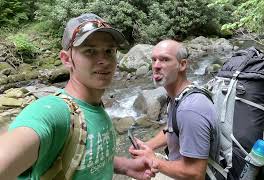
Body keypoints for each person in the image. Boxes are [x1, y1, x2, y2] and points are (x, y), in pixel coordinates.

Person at [0, 13, 158, 180]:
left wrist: (126, 167)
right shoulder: (54, 112)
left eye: (109, 50)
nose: (103, 60)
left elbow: (88, 159)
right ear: (66, 59)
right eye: (90, 51)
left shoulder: (94, 106)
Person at [129, 40, 219, 180]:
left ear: (182, 65)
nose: (156, 66)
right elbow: (172, 129)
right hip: (178, 164)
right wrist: (148, 146)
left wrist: (154, 160)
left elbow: (195, 173)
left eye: (165, 59)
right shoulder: (179, 95)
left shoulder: (190, 109)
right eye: (154, 60)